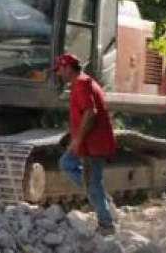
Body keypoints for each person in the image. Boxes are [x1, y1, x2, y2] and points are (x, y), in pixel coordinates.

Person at [52, 52, 116, 234]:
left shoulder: (81, 84)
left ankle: (106, 224)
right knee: (66, 164)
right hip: (88, 143)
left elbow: (90, 112)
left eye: (60, 69)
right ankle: (101, 199)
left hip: (94, 144)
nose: (58, 73)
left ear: (68, 67)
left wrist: (78, 139)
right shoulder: (84, 82)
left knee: (91, 181)